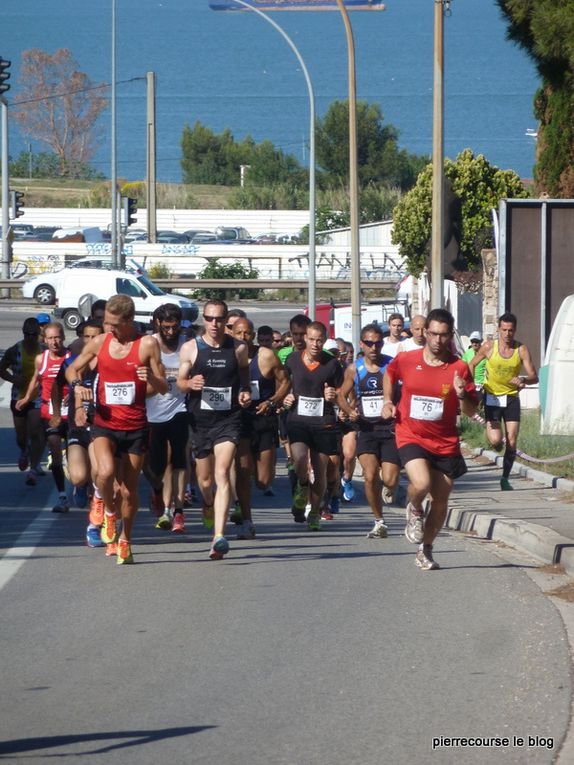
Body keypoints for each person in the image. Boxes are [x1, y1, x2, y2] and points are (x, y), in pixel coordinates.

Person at [66, 295, 167, 565]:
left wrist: (153, 378)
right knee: (106, 471)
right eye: (106, 323)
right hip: (105, 423)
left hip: (135, 427)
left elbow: (165, 387)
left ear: (129, 320)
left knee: (128, 491)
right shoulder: (100, 342)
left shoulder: (147, 344)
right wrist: (77, 385)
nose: (109, 329)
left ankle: (126, 539)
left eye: (114, 324)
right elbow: (72, 369)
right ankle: (108, 512)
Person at [383, 309, 479, 570]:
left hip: (445, 441)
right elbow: (389, 375)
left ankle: (426, 549)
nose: (437, 340)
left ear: (450, 335)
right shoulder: (406, 359)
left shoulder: (459, 367)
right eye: (433, 334)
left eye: (443, 335)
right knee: (422, 483)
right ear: (425, 332)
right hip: (410, 433)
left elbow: (471, 412)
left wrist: (461, 395)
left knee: (440, 501)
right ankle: (413, 507)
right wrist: (388, 401)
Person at [177, 299, 251, 560]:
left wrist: (244, 391)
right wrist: (190, 383)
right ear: (204, 320)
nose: (214, 324)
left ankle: (219, 536)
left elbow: (244, 374)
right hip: (200, 421)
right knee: (205, 481)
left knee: (222, 472)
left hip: (228, 420)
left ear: (226, 320)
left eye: (219, 319)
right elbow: (180, 382)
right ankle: (207, 503)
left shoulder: (239, 348)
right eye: (209, 319)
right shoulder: (191, 348)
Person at [338, 323, 399, 538]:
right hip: (366, 428)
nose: (374, 347)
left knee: (390, 480)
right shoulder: (355, 369)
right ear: (362, 344)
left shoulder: (391, 365)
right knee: (370, 476)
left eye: (378, 343)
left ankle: (389, 487)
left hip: (390, 428)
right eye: (370, 343)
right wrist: (348, 411)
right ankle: (379, 521)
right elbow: (341, 395)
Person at [231, 317, 289, 539]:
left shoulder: (265, 355)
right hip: (239, 420)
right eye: (239, 333)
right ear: (233, 334)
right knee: (243, 473)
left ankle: (255, 474)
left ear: (253, 335)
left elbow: (285, 381)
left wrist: (272, 401)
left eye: (247, 334)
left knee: (264, 481)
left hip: (263, 420)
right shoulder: (227, 357)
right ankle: (247, 521)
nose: (243, 338)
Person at [283, 321, 344, 531]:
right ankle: (301, 484)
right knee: (299, 459)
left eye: (320, 340)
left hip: (323, 422)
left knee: (320, 471)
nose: (315, 344)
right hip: (298, 420)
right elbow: (284, 385)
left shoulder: (332, 364)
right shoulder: (292, 360)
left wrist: (333, 396)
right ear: (304, 339)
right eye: (311, 339)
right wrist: (286, 398)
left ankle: (315, 511)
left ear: (324, 340)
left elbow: (341, 392)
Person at [469, 312, 538, 491]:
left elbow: (534, 376)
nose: (508, 334)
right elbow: (472, 364)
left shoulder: (521, 349)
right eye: (505, 330)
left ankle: (505, 478)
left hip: (511, 398)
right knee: (495, 440)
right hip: (492, 397)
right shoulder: (489, 347)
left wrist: (523, 380)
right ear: (499, 329)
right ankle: (496, 442)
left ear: (515, 330)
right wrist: (470, 386)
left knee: (512, 440)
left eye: (511, 330)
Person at [52, 319, 104, 543]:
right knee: (79, 476)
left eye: (96, 337)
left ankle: (95, 526)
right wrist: (57, 412)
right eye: (87, 337)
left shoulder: (108, 362)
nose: (91, 341)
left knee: (99, 476)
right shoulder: (72, 363)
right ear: (81, 339)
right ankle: (76, 479)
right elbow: (56, 386)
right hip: (77, 426)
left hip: (100, 427)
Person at [16, 322, 71, 512]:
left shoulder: (72, 357)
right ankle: (62, 496)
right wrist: (26, 398)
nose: (54, 342)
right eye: (50, 338)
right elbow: (35, 381)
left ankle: (82, 486)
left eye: (57, 337)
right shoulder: (42, 359)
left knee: (75, 459)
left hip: (71, 413)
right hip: (50, 413)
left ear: (63, 337)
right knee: (55, 449)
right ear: (44, 340)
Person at [145, 304, 190, 534]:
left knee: (178, 459)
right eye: (166, 327)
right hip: (152, 412)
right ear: (157, 324)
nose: (170, 332)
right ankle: (156, 491)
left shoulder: (187, 345)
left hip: (180, 408)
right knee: (155, 466)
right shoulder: (149, 344)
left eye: (174, 327)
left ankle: (176, 511)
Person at [0, 317, 45, 481]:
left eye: (33, 334)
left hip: (37, 397)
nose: (30, 337)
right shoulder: (15, 350)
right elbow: (1, 369)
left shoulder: (44, 350)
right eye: (27, 334)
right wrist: (13, 379)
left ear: (39, 333)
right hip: (18, 397)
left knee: (35, 432)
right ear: (23, 333)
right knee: (21, 436)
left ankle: (33, 468)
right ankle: (24, 450)